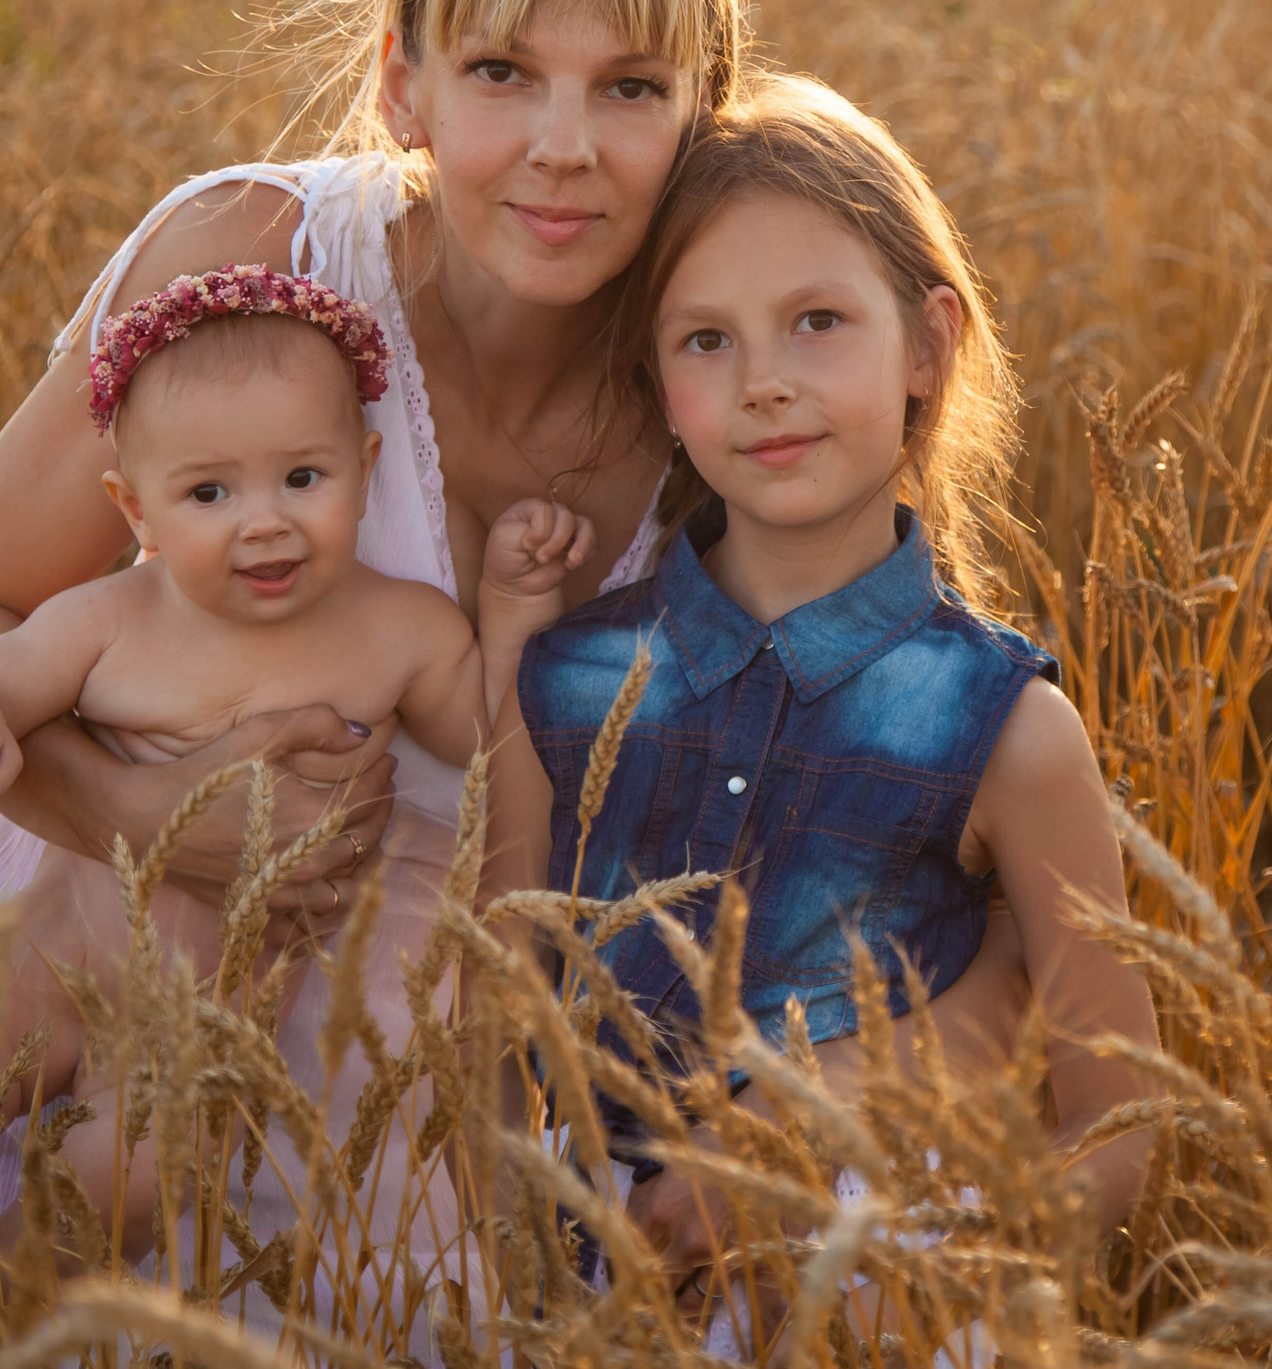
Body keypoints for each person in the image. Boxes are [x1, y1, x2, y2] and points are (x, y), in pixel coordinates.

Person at [0, 0, 755, 1351]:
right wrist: (158, 813)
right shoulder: (257, 263)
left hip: (427, 1074)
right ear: (402, 84)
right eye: (501, 71)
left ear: (703, 113)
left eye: (630, 86)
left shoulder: (725, 370)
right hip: (92, 981)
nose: (564, 148)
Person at [477, 76, 1159, 1355]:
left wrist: (932, 1290)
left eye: (817, 322)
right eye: (705, 340)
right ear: (655, 382)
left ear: (928, 347)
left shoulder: (1005, 730)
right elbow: (495, 1022)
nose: (764, 383)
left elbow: (1119, 1125)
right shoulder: (563, 682)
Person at [0, 270, 493, 1302]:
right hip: (49, 953)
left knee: (122, 1192)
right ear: (135, 507)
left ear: (363, 471)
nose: (263, 523)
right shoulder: (110, 621)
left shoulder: (402, 630)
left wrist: (517, 609)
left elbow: (488, 741)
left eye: (301, 478)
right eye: (208, 494)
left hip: (202, 1024)